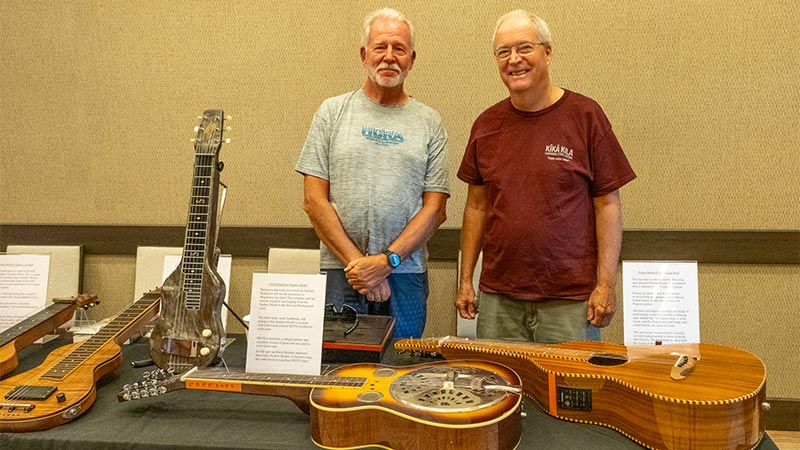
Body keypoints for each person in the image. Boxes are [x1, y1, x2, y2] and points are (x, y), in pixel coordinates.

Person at [455, 10, 636, 343]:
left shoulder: (586, 116)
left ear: (547, 52)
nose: (514, 60)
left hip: (569, 301)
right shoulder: (485, 125)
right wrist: (465, 280)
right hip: (498, 299)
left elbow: (608, 206)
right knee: (502, 392)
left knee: (569, 393)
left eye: (524, 48)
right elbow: (476, 207)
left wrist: (606, 286)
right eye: (503, 52)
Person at [295, 8, 450, 339]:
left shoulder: (429, 121)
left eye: (399, 49)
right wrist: (360, 265)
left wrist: (386, 263)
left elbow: (435, 208)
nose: (389, 57)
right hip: (343, 270)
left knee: (402, 371)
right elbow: (313, 200)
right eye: (381, 47)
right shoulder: (331, 112)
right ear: (364, 54)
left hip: (405, 273)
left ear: (411, 58)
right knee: (338, 372)